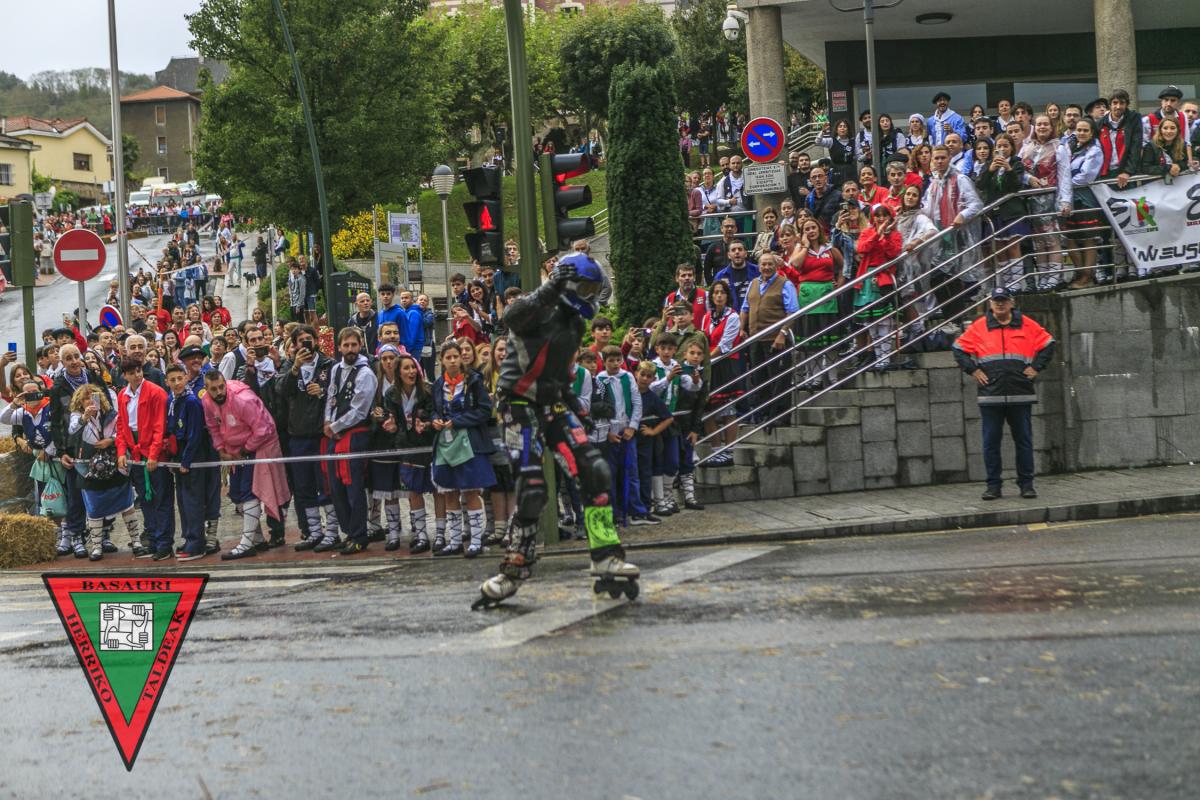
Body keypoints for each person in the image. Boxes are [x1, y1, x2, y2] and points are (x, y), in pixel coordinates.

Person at [476, 253, 640, 608]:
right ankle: (514, 567)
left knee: (595, 470)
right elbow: (512, 316)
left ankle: (605, 555)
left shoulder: (574, 324)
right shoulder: (538, 310)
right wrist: (550, 287)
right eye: (585, 288)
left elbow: (559, 372)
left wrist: (576, 405)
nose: (589, 295)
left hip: (552, 405)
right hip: (518, 404)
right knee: (532, 488)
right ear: (566, 283)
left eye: (593, 289)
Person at [953, 288, 1055, 501]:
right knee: (991, 443)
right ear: (990, 304)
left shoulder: (1026, 324)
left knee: (1024, 441)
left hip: (1020, 393)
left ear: (1011, 303)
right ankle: (993, 486)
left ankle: (1026, 484)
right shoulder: (979, 326)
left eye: (1004, 300)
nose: (1000, 304)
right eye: (996, 301)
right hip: (991, 395)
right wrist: (973, 370)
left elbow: (1048, 344)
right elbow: (958, 348)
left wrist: (1036, 367)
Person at [202, 370, 291, 560]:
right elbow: (213, 426)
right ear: (206, 389)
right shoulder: (207, 401)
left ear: (225, 383)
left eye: (221, 387)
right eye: (214, 389)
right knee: (236, 493)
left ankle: (247, 543)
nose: (219, 392)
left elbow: (263, 429)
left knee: (249, 492)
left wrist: (244, 450)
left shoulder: (243, 400)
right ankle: (257, 539)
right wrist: (221, 449)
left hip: (260, 446)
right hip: (236, 449)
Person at [275, 327, 340, 551]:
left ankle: (332, 532)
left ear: (316, 340)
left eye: (309, 339)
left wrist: (321, 392)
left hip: (322, 435)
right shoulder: (288, 365)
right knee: (303, 487)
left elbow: (338, 394)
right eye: (301, 340)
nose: (305, 344)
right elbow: (280, 390)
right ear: (294, 344)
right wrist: (295, 368)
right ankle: (314, 531)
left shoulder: (329, 364)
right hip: (298, 435)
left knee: (326, 485)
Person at [67, 384, 145, 561]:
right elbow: (72, 431)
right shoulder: (77, 416)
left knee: (127, 504)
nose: (90, 401)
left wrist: (110, 440)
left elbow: (122, 432)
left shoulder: (111, 415)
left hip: (114, 466)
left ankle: (136, 542)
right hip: (89, 470)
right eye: (85, 398)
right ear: (80, 402)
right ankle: (96, 547)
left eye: (93, 396)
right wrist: (85, 418)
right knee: (94, 508)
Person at [430, 340, 494, 557]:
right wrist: (435, 420)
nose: (452, 361)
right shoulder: (438, 384)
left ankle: (475, 541)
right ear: (441, 360)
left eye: (455, 357)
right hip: (446, 443)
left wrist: (459, 421)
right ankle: (455, 540)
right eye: (448, 357)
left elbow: (485, 410)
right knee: (450, 491)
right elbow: (433, 409)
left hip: (469, 442)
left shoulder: (474, 381)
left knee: (471, 491)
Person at [322, 327, 378, 555]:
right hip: (335, 435)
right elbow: (331, 398)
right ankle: (349, 531)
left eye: (354, 345)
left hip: (354, 435)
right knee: (336, 488)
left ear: (360, 346)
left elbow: (360, 409)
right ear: (339, 347)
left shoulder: (366, 373)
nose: (350, 349)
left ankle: (359, 534)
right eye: (346, 345)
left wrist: (335, 427)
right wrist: (327, 422)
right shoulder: (336, 369)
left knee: (354, 487)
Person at [115, 359, 175, 560]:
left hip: (152, 453)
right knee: (146, 500)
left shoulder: (156, 392)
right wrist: (121, 452)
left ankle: (165, 543)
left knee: (162, 500)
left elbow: (160, 426)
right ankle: (153, 539)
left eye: (139, 371)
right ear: (125, 376)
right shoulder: (123, 395)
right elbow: (121, 427)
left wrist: (154, 454)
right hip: (136, 453)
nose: (137, 375)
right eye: (132, 372)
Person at [740, 253, 799, 431]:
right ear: (758, 266)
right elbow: (745, 308)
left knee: (779, 378)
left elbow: (793, 312)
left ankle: (780, 416)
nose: (766, 267)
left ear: (775, 266)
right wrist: (742, 328)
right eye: (763, 264)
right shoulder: (753, 283)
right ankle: (766, 414)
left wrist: (782, 333)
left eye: (769, 264)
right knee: (760, 378)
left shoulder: (785, 283)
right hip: (756, 339)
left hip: (776, 339)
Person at [1020, 114, 1073, 291]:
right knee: (1039, 242)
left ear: (1052, 127)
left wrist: (1065, 201)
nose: (1042, 127)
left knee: (1053, 240)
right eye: (1039, 124)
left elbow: (1064, 176)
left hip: (1051, 199)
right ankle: (1043, 278)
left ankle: (1054, 277)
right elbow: (1018, 169)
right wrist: (1028, 179)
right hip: (1031, 201)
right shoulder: (1027, 146)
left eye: (1045, 124)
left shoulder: (1060, 148)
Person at [163, 363, 209, 560]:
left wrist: (186, 461)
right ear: (167, 382)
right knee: (182, 499)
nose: (177, 383)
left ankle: (197, 542)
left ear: (186, 378)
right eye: (172, 380)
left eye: (179, 378)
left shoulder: (191, 402)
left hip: (192, 455)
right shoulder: (171, 400)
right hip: (178, 455)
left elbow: (195, 434)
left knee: (192, 500)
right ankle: (188, 536)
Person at [852, 205, 903, 371]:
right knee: (871, 322)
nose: (880, 219)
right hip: (866, 277)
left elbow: (893, 253)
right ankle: (879, 357)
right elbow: (862, 248)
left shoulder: (895, 235)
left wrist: (886, 235)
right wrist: (877, 234)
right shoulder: (867, 232)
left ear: (890, 217)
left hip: (884, 277)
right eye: (877, 216)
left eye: (884, 215)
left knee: (884, 320)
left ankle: (885, 358)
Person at [1064, 118, 1106, 290]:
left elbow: (1086, 176)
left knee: (1088, 238)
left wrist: (1064, 183)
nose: (1081, 133)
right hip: (1069, 199)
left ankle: (1087, 276)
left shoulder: (1095, 150)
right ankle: (1080, 273)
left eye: (1085, 130)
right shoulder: (1071, 147)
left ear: (1092, 132)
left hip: (1085, 199)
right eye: (1079, 130)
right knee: (1071, 238)